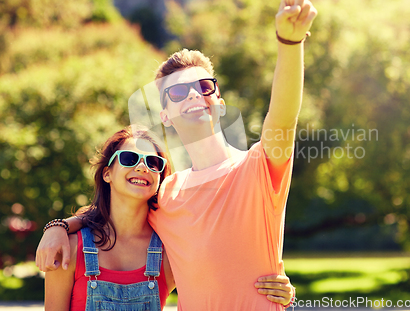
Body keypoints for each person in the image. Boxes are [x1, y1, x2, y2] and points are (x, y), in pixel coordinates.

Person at [38, 0, 316, 310]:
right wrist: (58, 226)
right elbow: (111, 214)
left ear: (218, 103)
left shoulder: (259, 167)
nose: (194, 95)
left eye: (204, 86)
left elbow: (284, 116)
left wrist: (290, 42)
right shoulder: (164, 194)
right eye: (178, 92)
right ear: (165, 116)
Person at [44, 126, 295, 310]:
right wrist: (57, 227)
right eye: (130, 159)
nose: (143, 167)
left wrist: (281, 291)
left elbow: (223, 271)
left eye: (153, 162)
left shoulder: (169, 250)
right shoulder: (69, 249)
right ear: (107, 173)